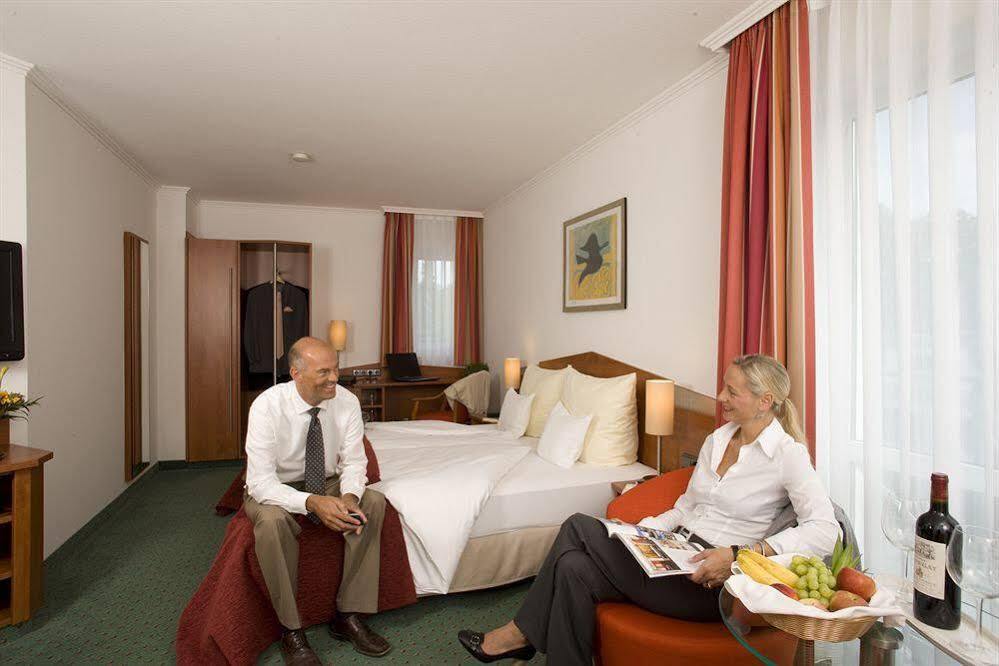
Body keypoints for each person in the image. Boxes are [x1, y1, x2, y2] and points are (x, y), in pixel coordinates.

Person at [458, 354, 839, 665]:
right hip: (675, 552)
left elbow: (825, 529)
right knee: (573, 567)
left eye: (732, 391)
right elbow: (686, 507)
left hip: (710, 579)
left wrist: (739, 555)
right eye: (724, 386)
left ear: (764, 401)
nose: (721, 396)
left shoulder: (787, 455)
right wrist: (642, 529)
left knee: (577, 526)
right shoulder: (717, 440)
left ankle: (518, 634)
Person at [244, 336, 390, 665]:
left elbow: (354, 462)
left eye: (335, 369)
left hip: (328, 480)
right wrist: (311, 502)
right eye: (324, 372)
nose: (334, 378)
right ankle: (291, 630)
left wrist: (349, 496)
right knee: (271, 522)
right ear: (296, 373)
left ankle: (348, 615)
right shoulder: (267, 406)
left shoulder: (347, 402)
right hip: (277, 484)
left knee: (374, 502)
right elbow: (260, 482)